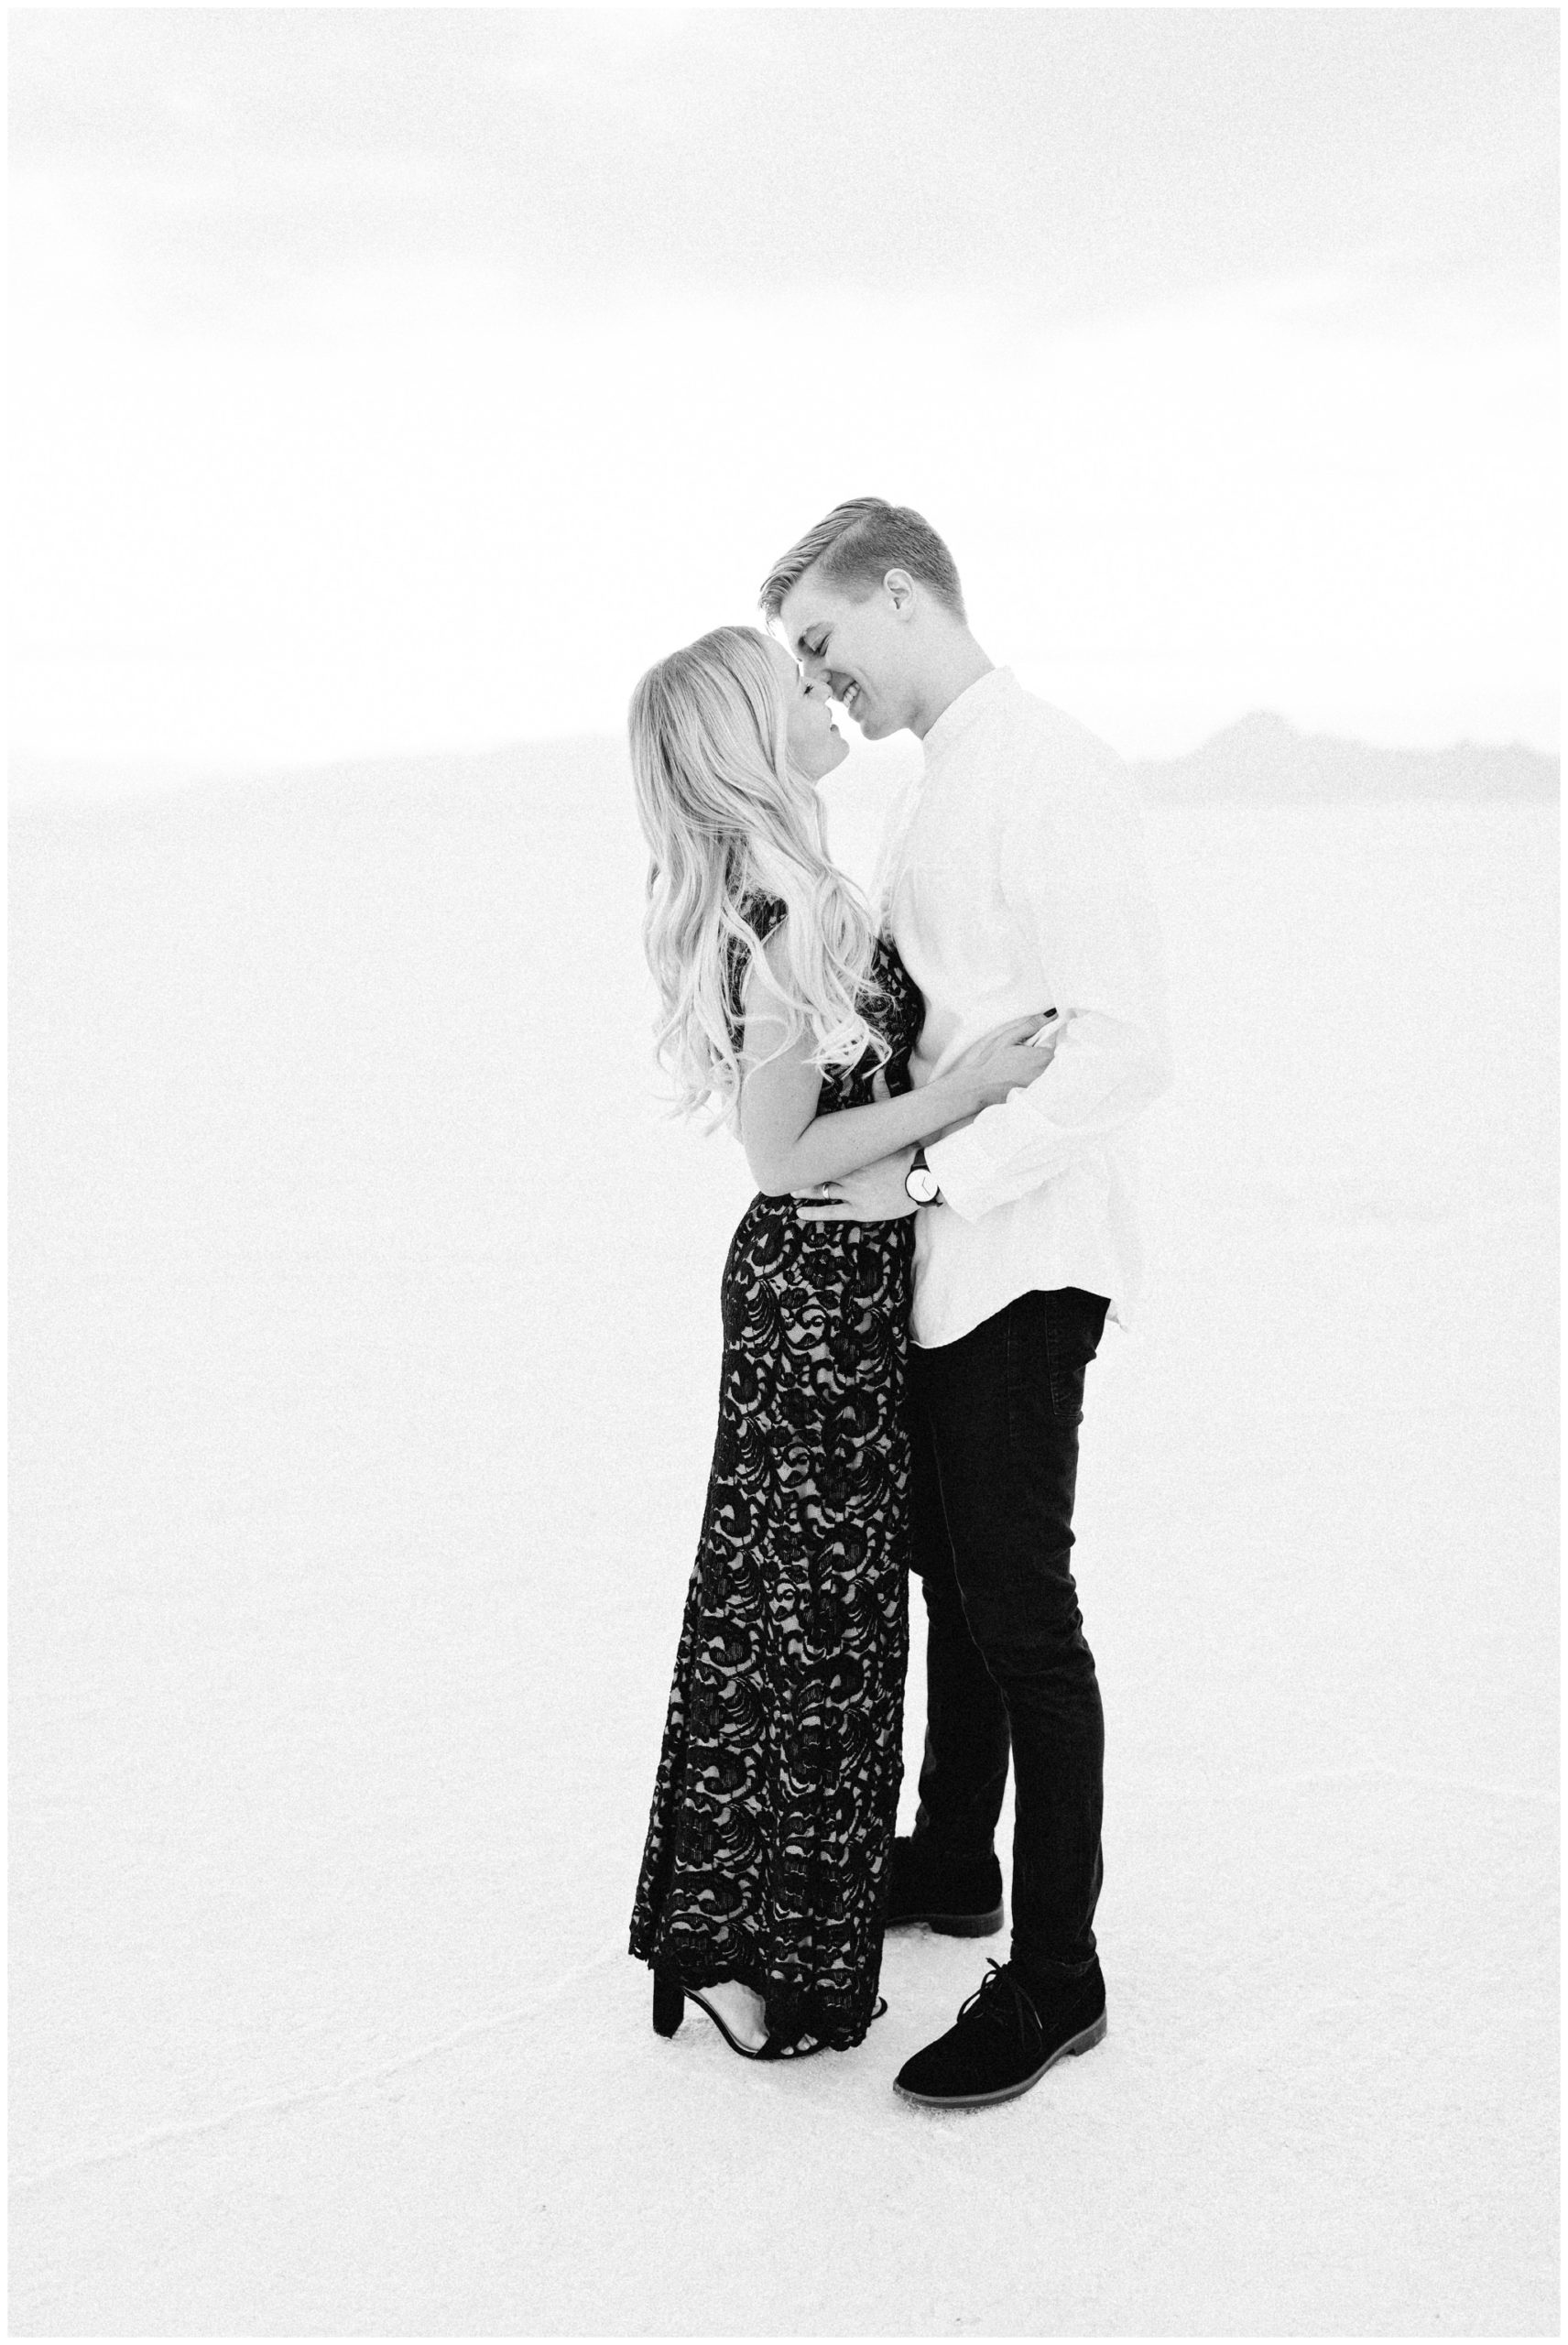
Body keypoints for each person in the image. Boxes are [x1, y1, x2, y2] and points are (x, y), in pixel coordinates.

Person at [762, 497, 1171, 2109]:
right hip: (950, 1255)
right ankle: (952, 1859)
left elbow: (1126, 1045)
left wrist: (935, 1186)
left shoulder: (1050, 768)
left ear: (904, 592)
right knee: (951, 1572)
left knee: (1022, 1612)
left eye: (821, 640)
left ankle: (1058, 1978)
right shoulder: (936, 788)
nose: (819, 678)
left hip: (1028, 1247)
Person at [626, 624, 1054, 2061]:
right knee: (798, 1626)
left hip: (837, 1294)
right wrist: (967, 1093)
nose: (825, 702)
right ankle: (741, 1954)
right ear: (752, 739)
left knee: (810, 1618)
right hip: (813, 1298)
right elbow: (778, 1150)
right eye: (797, 692)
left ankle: (753, 1926)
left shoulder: (802, 883)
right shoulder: (782, 906)